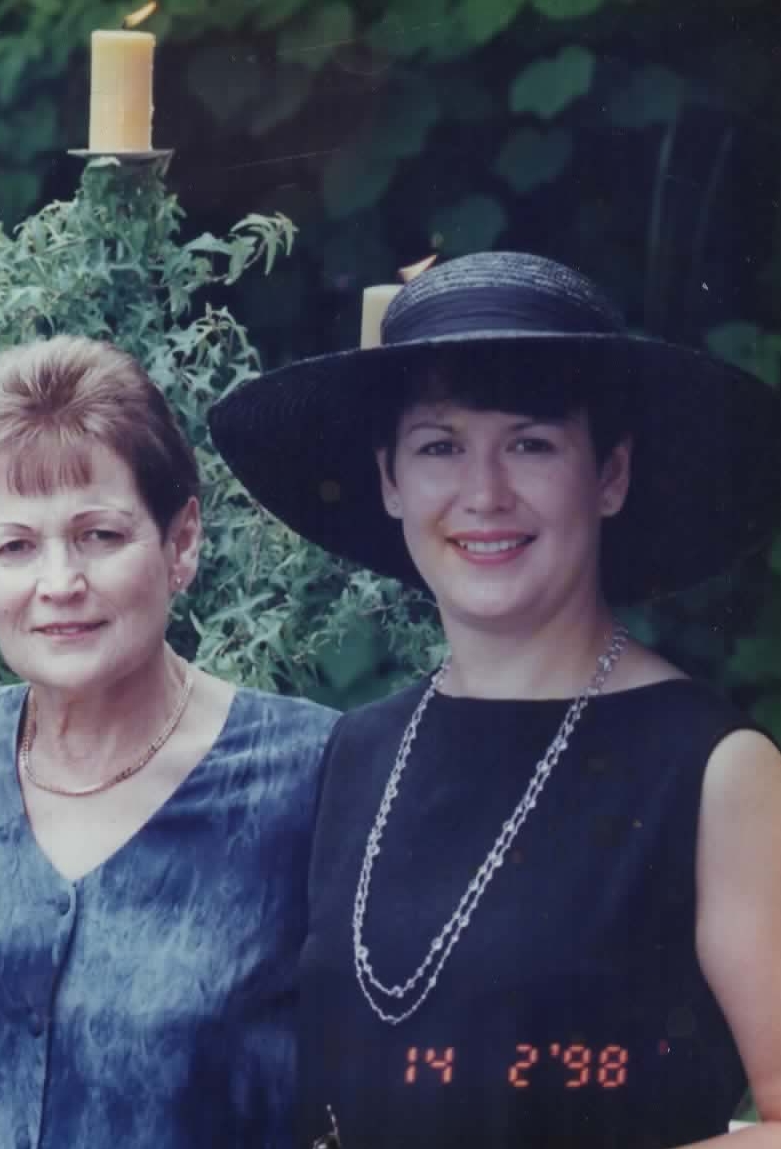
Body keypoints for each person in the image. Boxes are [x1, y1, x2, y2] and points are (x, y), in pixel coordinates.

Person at [208, 250, 781, 1148]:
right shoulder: (355, 752)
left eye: (531, 443)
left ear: (610, 475)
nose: (483, 494)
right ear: (391, 481)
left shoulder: (716, 769)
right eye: (439, 446)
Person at [0, 336, 339, 1148]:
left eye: (99, 534)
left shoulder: (312, 776)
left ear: (180, 539)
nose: (59, 584)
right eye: (16, 545)